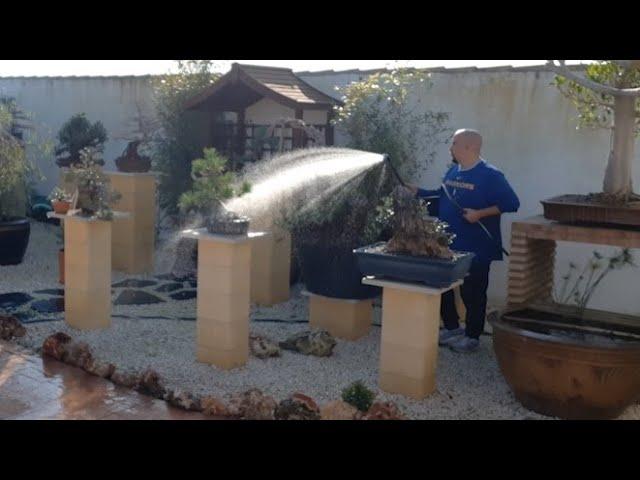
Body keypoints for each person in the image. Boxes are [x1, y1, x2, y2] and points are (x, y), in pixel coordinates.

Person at [407, 129, 520, 353]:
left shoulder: (490, 175)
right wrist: (417, 192)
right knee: (444, 287)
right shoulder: (452, 172)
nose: (451, 147)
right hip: (447, 245)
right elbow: (441, 199)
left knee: (473, 292)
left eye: (455, 143)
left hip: (476, 247)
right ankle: (451, 328)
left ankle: (472, 336)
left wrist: (480, 214)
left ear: (470, 147)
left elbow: (512, 203)